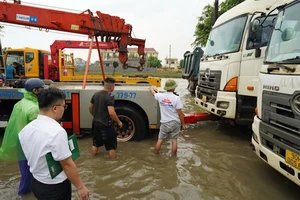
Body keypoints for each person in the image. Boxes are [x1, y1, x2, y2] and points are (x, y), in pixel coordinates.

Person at [18, 87, 89, 200]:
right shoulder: (57, 132)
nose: (64, 109)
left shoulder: (26, 129)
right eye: (64, 106)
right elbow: (67, 164)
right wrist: (80, 187)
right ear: (55, 108)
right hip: (55, 187)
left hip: (36, 182)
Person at [0, 78, 47, 195]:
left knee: (25, 173)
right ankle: (23, 196)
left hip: (19, 142)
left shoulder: (20, 103)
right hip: (29, 147)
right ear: (35, 90)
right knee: (28, 177)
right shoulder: (34, 109)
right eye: (42, 89)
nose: (44, 91)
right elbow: (38, 132)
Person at [149, 79, 186, 157]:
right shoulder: (176, 98)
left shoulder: (160, 96)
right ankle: (173, 158)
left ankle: (155, 155)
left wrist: (151, 88)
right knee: (174, 140)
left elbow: (153, 93)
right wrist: (183, 124)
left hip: (164, 123)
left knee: (160, 139)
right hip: (175, 122)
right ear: (174, 88)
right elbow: (180, 113)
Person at [89, 77, 123, 159]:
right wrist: (119, 122)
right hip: (106, 125)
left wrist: (94, 115)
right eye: (114, 86)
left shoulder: (96, 94)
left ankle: (91, 159)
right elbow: (111, 113)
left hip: (95, 123)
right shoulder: (110, 96)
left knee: (95, 144)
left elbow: (90, 106)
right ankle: (114, 165)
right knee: (111, 147)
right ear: (111, 87)